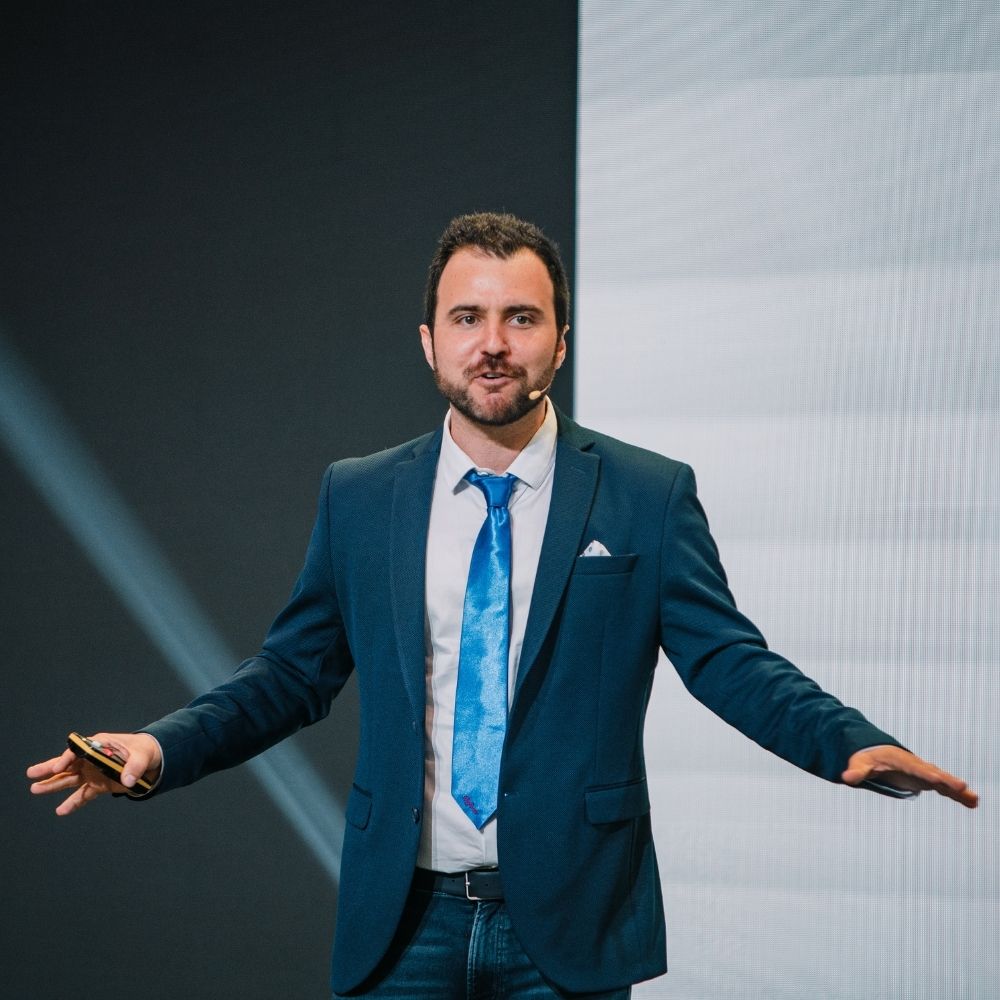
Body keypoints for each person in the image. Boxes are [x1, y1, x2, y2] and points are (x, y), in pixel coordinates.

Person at [27, 212, 978, 999]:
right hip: (402, 922)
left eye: (521, 318)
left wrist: (843, 742)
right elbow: (291, 674)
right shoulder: (361, 496)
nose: (492, 344)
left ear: (560, 339)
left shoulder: (646, 495)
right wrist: (162, 748)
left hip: (568, 920)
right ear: (429, 341)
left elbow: (727, 658)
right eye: (468, 317)